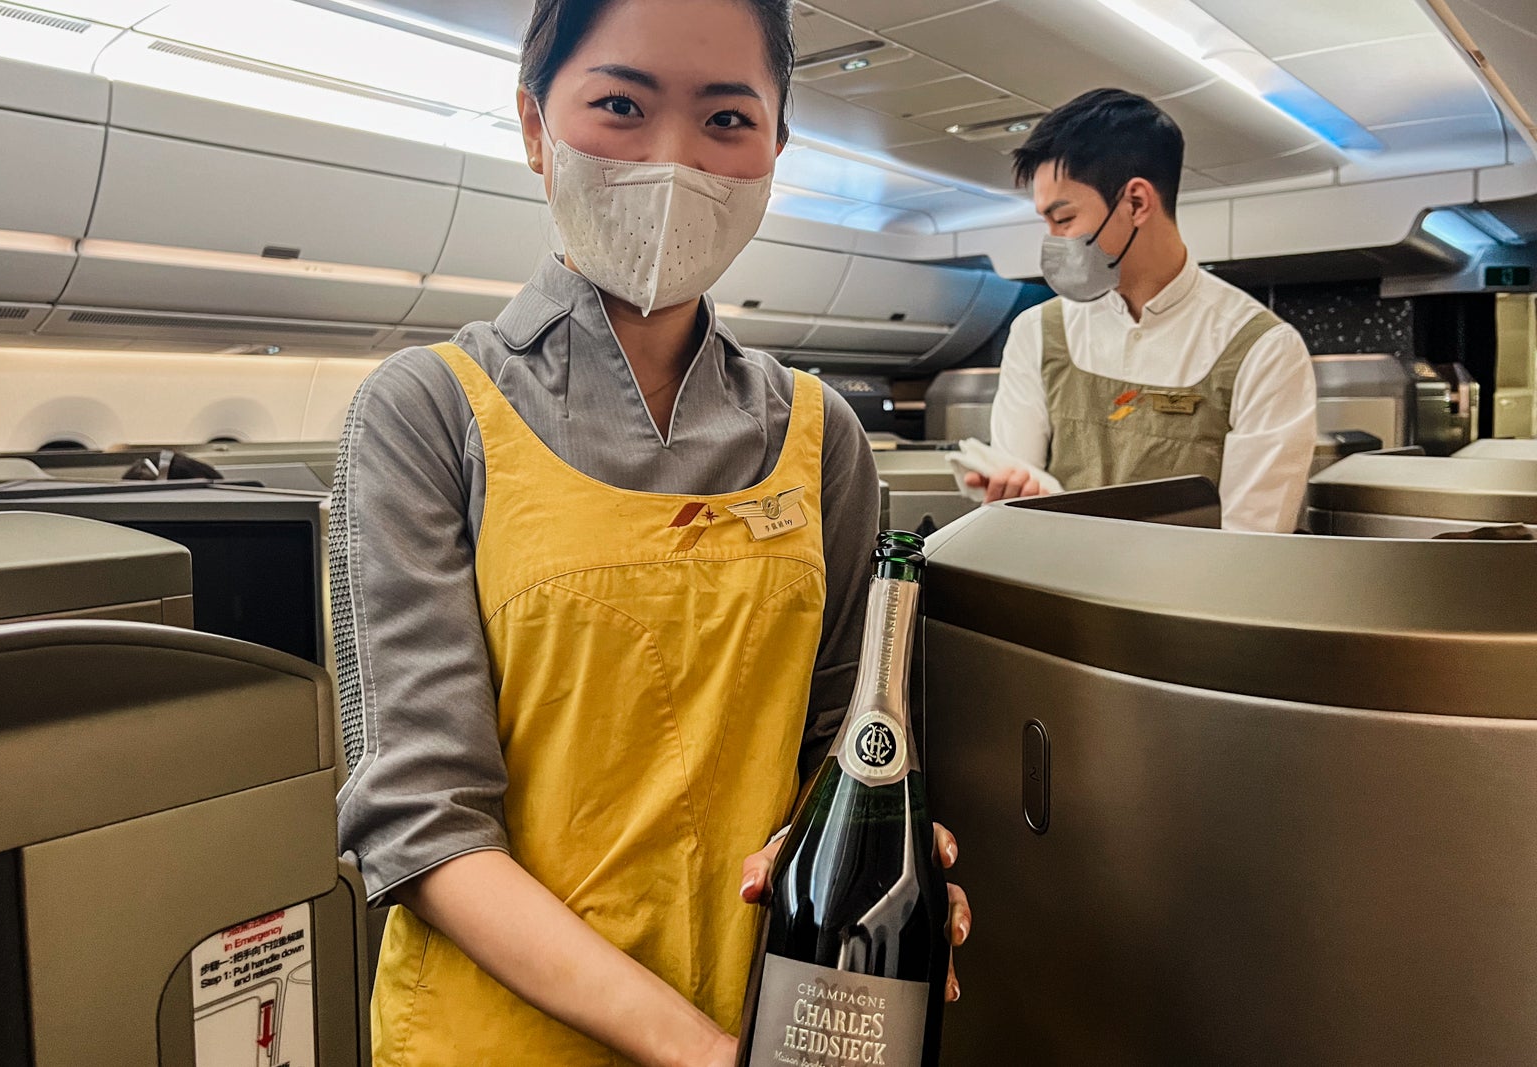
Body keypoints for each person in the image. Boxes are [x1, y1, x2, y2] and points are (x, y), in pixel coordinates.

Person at [330, 1, 969, 1065]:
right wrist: (700, 1049)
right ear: (536, 126)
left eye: (726, 120)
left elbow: (833, 740)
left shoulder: (821, 436)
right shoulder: (428, 410)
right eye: (620, 105)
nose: (675, 163)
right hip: (498, 1035)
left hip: (767, 1012)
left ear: (775, 150)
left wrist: (878, 855)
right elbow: (422, 822)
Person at [965, 88, 1317, 533]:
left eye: (1065, 218)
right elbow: (1019, 496)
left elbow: (1252, 543)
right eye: (1047, 222)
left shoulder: (1261, 349)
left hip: (1184, 601)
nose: (1053, 240)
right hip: (1056, 591)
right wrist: (1013, 494)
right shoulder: (1037, 331)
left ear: (1136, 202)